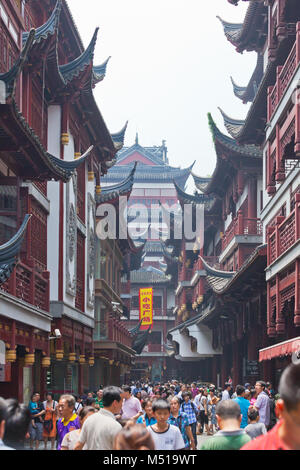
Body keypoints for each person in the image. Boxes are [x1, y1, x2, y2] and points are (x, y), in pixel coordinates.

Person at [241, 363, 300, 450]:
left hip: (260, 420)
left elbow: (255, 408)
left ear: (279, 409)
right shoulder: (265, 396)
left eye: (257, 385)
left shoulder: (255, 447)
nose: (255, 387)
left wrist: (250, 407)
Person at [75, 386, 123, 450]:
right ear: (115, 403)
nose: (122, 404)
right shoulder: (115, 426)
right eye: (122, 401)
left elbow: (77, 446)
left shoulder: (89, 420)